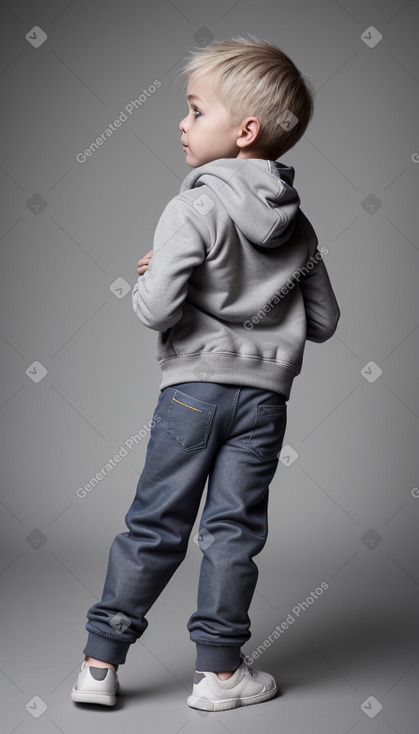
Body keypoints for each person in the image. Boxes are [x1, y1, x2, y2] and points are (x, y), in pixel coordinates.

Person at [71, 35, 340, 712]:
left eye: (194, 110)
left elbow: (154, 308)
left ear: (244, 130)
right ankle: (218, 676)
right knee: (232, 533)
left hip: (191, 394)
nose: (182, 124)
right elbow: (325, 321)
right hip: (263, 402)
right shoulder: (299, 227)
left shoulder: (192, 205)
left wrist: (160, 275)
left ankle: (100, 665)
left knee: (155, 523)